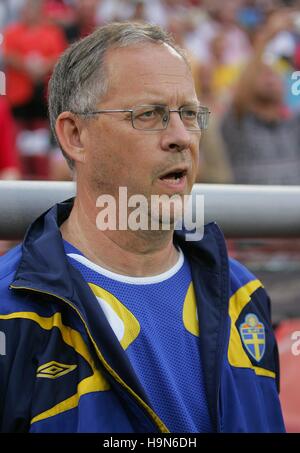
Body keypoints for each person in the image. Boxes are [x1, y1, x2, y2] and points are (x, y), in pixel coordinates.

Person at [0, 22, 285, 433]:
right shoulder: (13, 314)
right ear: (75, 134)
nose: (180, 137)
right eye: (149, 115)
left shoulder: (243, 295)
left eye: (189, 114)